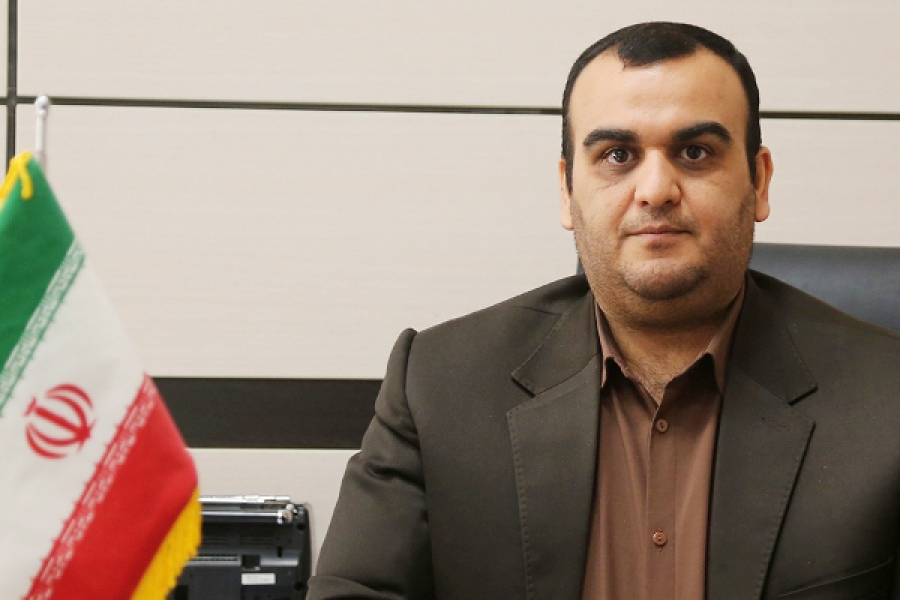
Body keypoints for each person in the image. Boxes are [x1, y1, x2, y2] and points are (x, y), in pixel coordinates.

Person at [307, 22, 900, 600]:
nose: (656, 189)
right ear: (568, 191)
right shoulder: (438, 386)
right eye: (618, 155)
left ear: (759, 181)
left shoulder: (887, 399)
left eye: (695, 152)